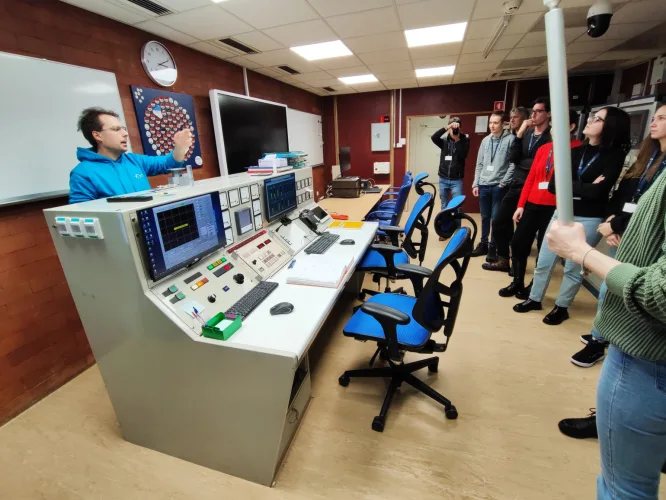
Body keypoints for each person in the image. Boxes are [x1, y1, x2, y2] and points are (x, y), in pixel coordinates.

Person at [545, 106, 666, 496]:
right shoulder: (653, 162)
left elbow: (660, 294)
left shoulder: (620, 158)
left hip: (648, 356)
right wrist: (619, 222)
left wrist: (581, 253)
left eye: (664, 116)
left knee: (625, 487)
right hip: (641, 344)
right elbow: (616, 196)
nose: (655, 120)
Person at [513, 107, 631, 325]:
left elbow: (599, 191)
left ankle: (562, 307)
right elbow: (553, 185)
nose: (590, 121)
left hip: (590, 218)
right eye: (592, 117)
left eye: (597, 119)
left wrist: (572, 186)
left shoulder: (614, 156)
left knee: (573, 267)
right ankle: (534, 298)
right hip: (562, 214)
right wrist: (586, 186)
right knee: (544, 261)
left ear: (610, 127)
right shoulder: (576, 151)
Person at [499, 109, 582, 299]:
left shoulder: (577, 149)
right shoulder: (544, 148)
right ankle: (517, 282)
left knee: (545, 250)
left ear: (571, 127)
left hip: (555, 208)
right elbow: (531, 178)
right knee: (518, 242)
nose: (554, 128)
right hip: (532, 203)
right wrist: (521, 205)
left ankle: (534, 286)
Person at [484, 98, 552, 272]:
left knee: (523, 232)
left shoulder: (550, 136)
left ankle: (517, 267)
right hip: (517, 183)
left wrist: (525, 162)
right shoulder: (526, 134)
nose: (534, 115)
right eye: (533, 111)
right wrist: (520, 134)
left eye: (538, 111)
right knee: (499, 222)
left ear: (548, 114)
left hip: (537, 187)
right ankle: (503, 259)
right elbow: (513, 158)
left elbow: (541, 163)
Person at [69, 107, 193, 204]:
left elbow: (169, 163)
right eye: (116, 129)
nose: (125, 133)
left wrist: (180, 147)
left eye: (123, 128)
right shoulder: (83, 173)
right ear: (97, 135)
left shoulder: (135, 160)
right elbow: (83, 215)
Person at [470, 111, 515, 259]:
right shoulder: (485, 141)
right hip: (483, 184)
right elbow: (479, 164)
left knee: (496, 219)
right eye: (490, 122)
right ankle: (483, 243)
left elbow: (513, 164)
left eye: (496, 123)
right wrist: (475, 183)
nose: (492, 126)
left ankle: (493, 247)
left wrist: (503, 182)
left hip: (498, 186)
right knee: (484, 217)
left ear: (503, 124)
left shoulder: (510, 140)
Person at [432, 117, 470, 212]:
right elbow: (434, 137)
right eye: (452, 127)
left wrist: (457, 140)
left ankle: (457, 222)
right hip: (443, 178)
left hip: (456, 180)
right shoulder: (444, 140)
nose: (454, 129)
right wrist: (446, 128)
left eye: (456, 127)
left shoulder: (464, 140)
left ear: (460, 128)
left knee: (457, 206)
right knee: (444, 204)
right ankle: (445, 222)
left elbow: (463, 155)